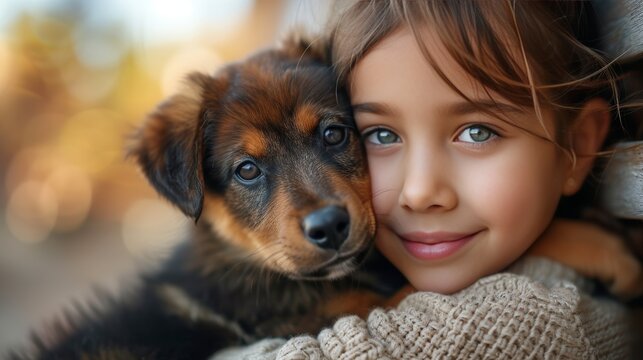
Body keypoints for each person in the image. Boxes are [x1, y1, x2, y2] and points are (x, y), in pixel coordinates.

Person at [214, 1, 640, 358]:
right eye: (380, 135)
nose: (419, 193)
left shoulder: (521, 324)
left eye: (477, 132)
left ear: (578, 146)